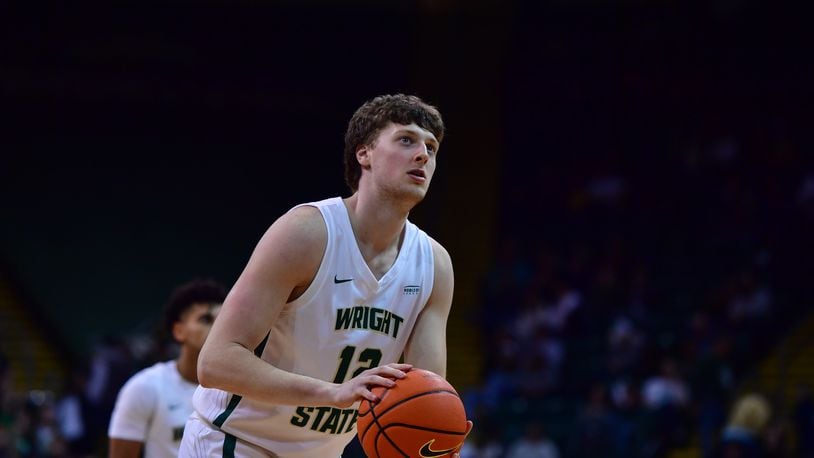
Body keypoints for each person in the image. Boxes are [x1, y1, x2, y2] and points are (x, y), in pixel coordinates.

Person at [180, 94, 470, 457]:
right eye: (406, 140)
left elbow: (422, 388)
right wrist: (332, 394)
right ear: (364, 153)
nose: (423, 155)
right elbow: (216, 361)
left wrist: (438, 429)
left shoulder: (434, 265)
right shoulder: (307, 233)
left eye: (432, 146)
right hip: (237, 441)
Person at [108, 279, 226, 457]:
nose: (217, 327)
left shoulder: (239, 389)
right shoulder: (145, 387)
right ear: (179, 331)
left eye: (222, 320)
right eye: (206, 319)